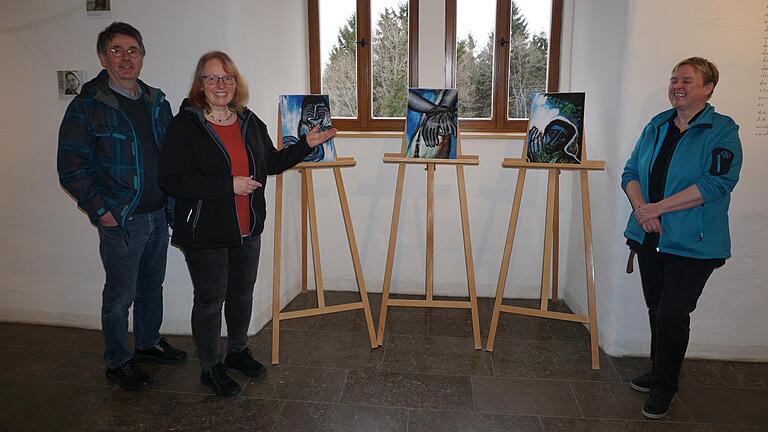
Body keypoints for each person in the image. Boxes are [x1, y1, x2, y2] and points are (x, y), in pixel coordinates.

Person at [159, 51, 336, 398]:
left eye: (227, 77)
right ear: (200, 85)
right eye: (211, 78)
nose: (220, 84)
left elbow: (269, 162)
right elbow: (172, 180)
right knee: (210, 301)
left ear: (236, 83)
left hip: (247, 226)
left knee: (241, 293)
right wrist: (228, 185)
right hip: (205, 232)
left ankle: (237, 351)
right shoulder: (186, 126)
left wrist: (305, 145)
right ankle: (211, 367)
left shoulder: (249, 121)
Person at [57, 22, 187, 392]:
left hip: (159, 215)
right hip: (122, 221)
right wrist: (101, 211)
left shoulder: (157, 102)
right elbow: (71, 166)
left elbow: (174, 154)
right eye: (116, 50)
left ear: (142, 57)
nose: (126, 58)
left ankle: (147, 343)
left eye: (133, 51)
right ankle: (117, 360)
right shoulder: (88, 107)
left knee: (152, 287)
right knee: (120, 296)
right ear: (103, 57)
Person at [621, 57, 742, 419]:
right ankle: (659, 371)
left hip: (694, 242)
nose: (678, 86)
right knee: (657, 310)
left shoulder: (721, 130)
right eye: (674, 79)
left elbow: (716, 183)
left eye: (687, 81)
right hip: (649, 233)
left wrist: (658, 208)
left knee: (673, 314)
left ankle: (665, 386)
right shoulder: (656, 125)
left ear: (708, 89)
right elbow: (630, 171)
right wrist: (643, 209)